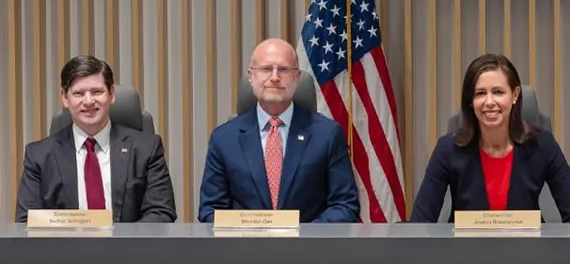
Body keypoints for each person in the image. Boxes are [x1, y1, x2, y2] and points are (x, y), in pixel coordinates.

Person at [410, 53, 570, 222]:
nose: (489, 102)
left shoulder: (543, 146)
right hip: (465, 254)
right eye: (480, 93)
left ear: (515, 95)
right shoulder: (447, 149)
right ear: (470, 101)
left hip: (528, 253)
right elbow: (420, 223)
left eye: (498, 92)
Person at [198, 38, 360, 223]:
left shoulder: (328, 135)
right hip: (244, 249)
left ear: (297, 77)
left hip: (308, 249)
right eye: (266, 69)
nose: (274, 77)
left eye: (283, 69)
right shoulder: (224, 139)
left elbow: (345, 206)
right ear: (251, 76)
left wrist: (299, 236)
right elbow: (210, 211)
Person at [15, 55, 177, 222]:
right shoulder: (39, 156)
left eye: (97, 92)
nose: (88, 101)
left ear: (111, 94)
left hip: (130, 248)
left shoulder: (147, 149)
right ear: (65, 97)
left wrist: (121, 245)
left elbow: (161, 213)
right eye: (78, 93)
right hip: (65, 248)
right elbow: (27, 221)